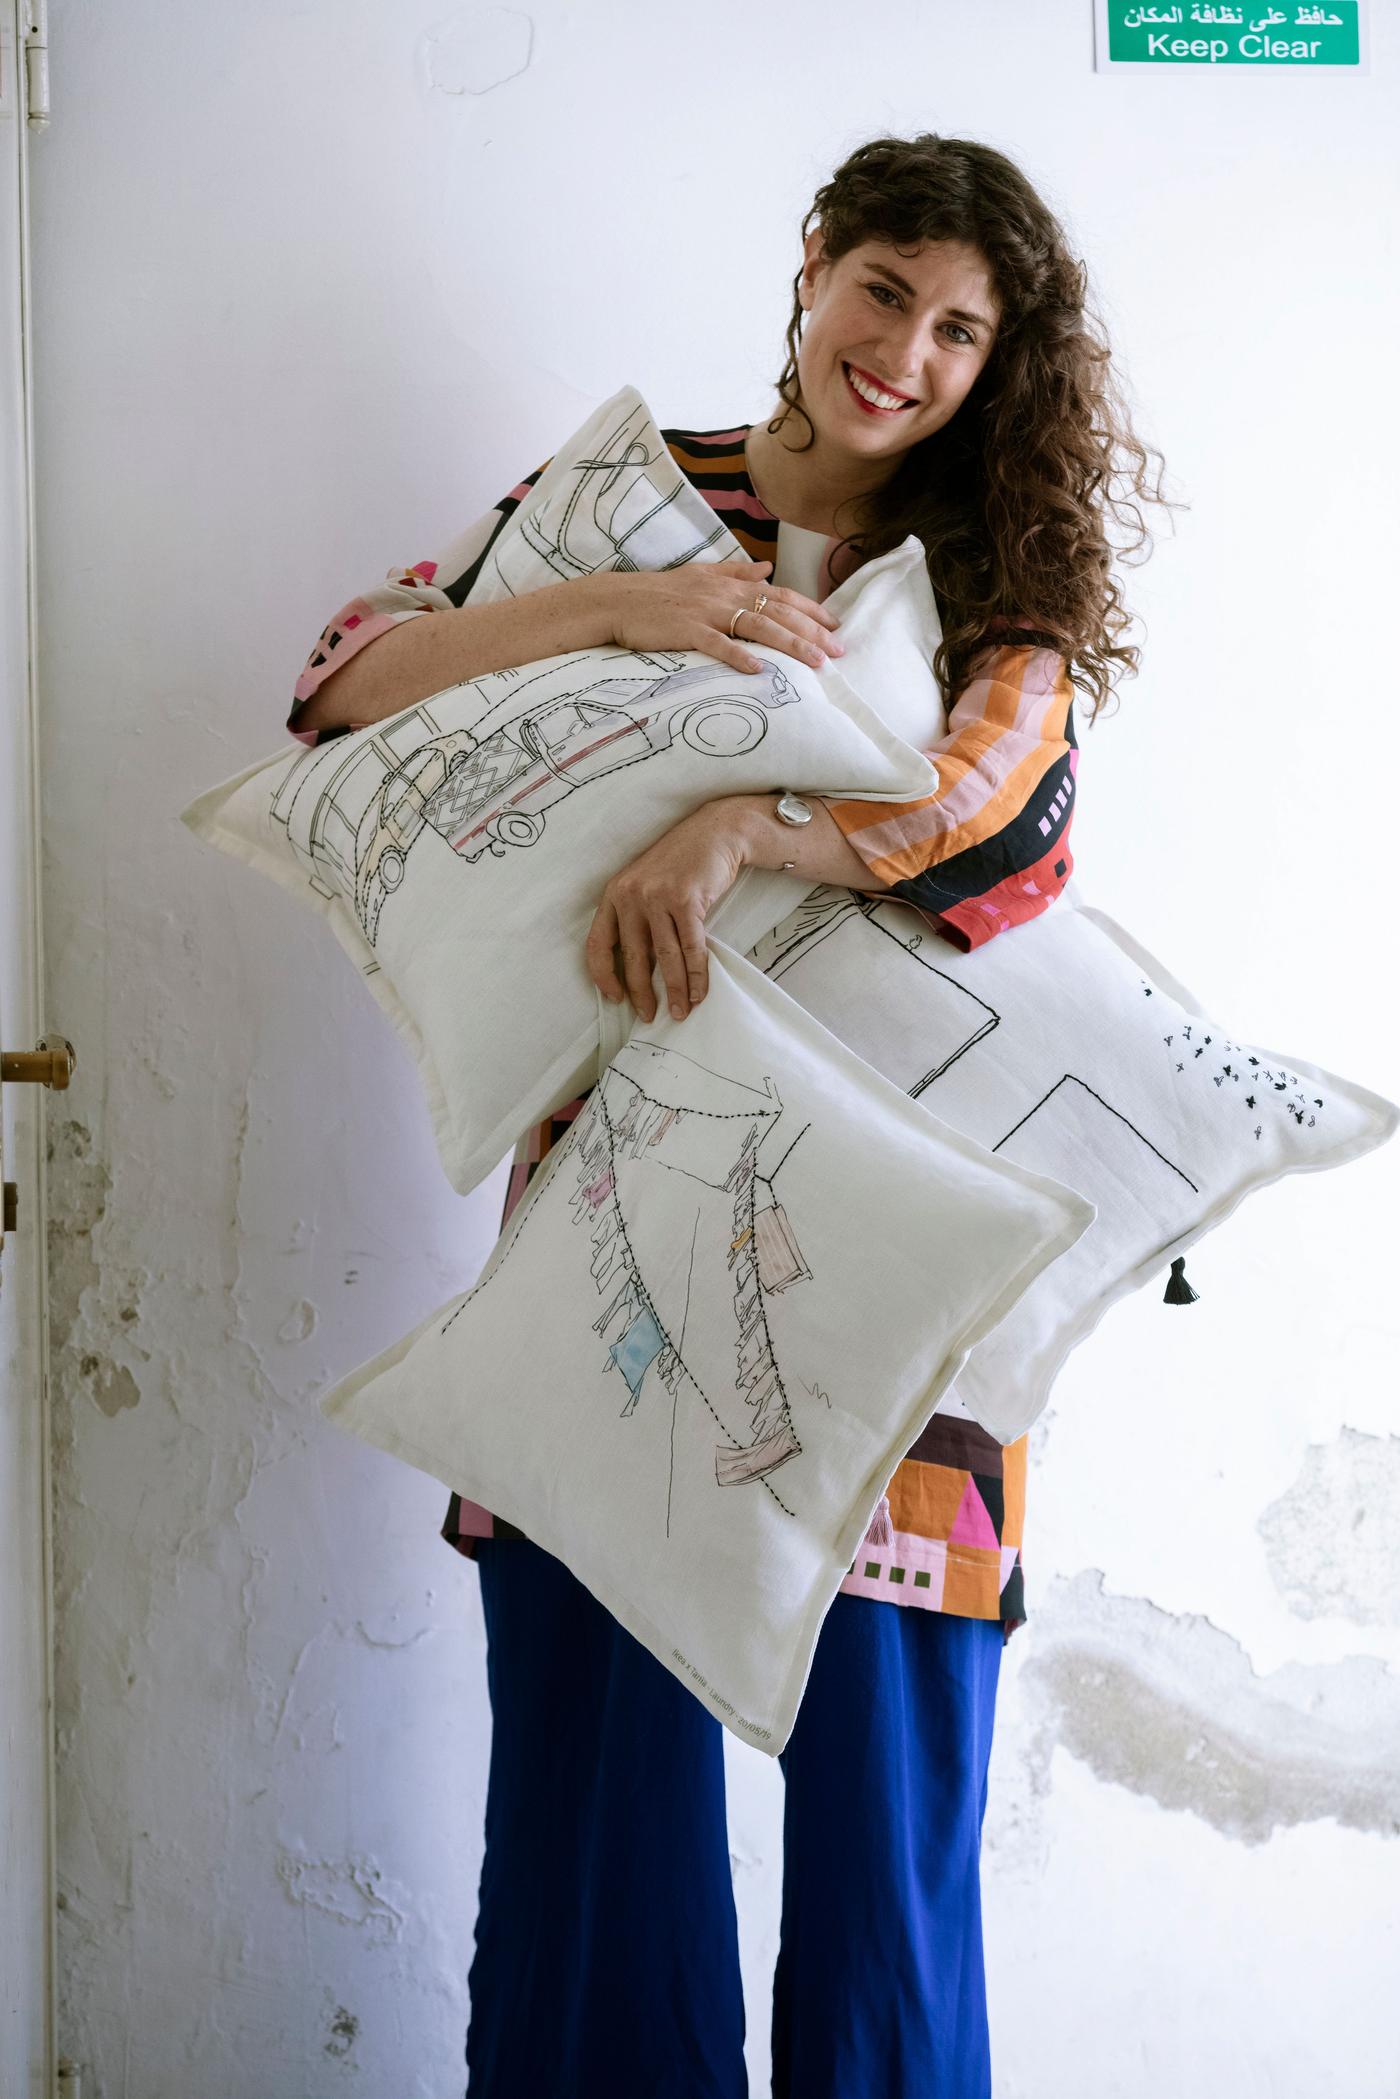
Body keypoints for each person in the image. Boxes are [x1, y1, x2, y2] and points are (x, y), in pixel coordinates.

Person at [288, 133, 1170, 2099]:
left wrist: (736, 828)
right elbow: (350, 690)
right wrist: (618, 609)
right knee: (592, 1831)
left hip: (916, 1264)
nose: (906, 353)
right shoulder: (616, 507)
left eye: (959, 330)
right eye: (883, 290)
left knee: (883, 1862)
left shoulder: (994, 585)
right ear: (808, 267)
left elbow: (996, 816)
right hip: (607, 1236)